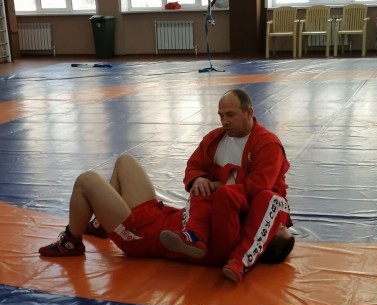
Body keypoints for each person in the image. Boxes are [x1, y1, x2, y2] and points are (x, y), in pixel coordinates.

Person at [39, 89, 294, 282]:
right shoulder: (218, 139)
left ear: (249, 112)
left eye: (230, 115)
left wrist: (214, 186)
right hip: (168, 216)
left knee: (86, 181)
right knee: (125, 161)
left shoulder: (232, 237)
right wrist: (199, 180)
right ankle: (102, 225)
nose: (224, 121)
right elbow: (194, 167)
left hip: (142, 236)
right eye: (221, 116)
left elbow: (256, 190)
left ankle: (72, 241)